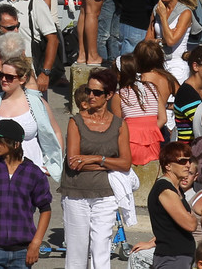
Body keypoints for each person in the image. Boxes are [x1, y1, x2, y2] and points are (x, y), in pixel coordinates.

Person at [61, 76, 131, 269]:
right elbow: (74, 162)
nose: (91, 96)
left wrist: (94, 159)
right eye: (88, 91)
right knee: (77, 250)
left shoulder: (119, 124)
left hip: (106, 194)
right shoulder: (75, 122)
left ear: (108, 95)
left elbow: (126, 163)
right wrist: (110, 163)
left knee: (102, 248)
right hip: (76, 192)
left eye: (97, 92)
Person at [0, 117, 53, 269]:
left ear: (15, 144)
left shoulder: (33, 173)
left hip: (23, 253)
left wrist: (36, 243)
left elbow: (45, 209)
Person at [0, 55, 64, 179]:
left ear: (22, 79)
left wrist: (54, 164)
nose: (3, 79)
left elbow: (56, 132)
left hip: (28, 174)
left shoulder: (36, 103)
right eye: (0, 75)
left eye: (9, 77)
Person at [147, 142, 200, 269]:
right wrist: (191, 217)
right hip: (172, 257)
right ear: (168, 165)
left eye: (189, 160)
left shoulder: (176, 189)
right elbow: (190, 224)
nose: (188, 165)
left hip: (179, 256)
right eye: (182, 161)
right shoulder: (165, 189)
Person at [149, 0, 198, 81]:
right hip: (157, 62)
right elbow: (148, 40)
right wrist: (161, 41)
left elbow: (171, 41)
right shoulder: (157, 8)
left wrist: (163, 17)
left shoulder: (185, 13)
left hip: (176, 65)